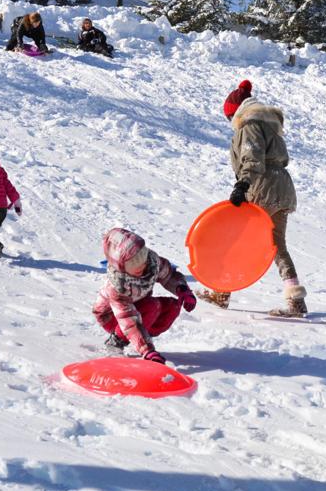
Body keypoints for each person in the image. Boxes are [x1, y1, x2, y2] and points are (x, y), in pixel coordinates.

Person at [198, 79, 307, 317]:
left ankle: (221, 292)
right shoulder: (271, 124)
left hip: (262, 186)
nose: (230, 123)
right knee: (277, 243)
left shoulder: (249, 123)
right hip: (283, 187)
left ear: (235, 112)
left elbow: (252, 157)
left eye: (229, 118)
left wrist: (243, 183)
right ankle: (296, 300)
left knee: (236, 238)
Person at [93, 227, 196, 363]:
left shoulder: (151, 262)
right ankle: (116, 341)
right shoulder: (117, 288)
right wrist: (147, 350)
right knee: (151, 306)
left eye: (142, 254)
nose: (142, 262)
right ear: (122, 266)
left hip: (139, 307)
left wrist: (182, 289)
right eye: (133, 262)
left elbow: (168, 275)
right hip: (112, 317)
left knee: (172, 307)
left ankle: (142, 336)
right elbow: (128, 319)